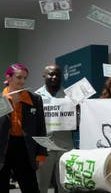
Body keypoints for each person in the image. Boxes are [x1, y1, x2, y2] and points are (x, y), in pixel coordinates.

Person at [0, 63, 47, 193]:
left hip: (25, 147)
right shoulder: (1, 99)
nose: (23, 81)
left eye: (25, 78)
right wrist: (12, 104)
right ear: (8, 78)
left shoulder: (35, 99)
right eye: (19, 77)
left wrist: (41, 153)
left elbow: (40, 127)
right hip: (3, 148)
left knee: (30, 187)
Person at [35, 64, 74, 193]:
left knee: (65, 186)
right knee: (41, 186)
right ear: (44, 76)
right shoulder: (35, 96)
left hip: (65, 147)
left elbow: (78, 120)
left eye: (57, 74)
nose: (55, 77)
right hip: (44, 148)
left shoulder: (70, 96)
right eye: (51, 74)